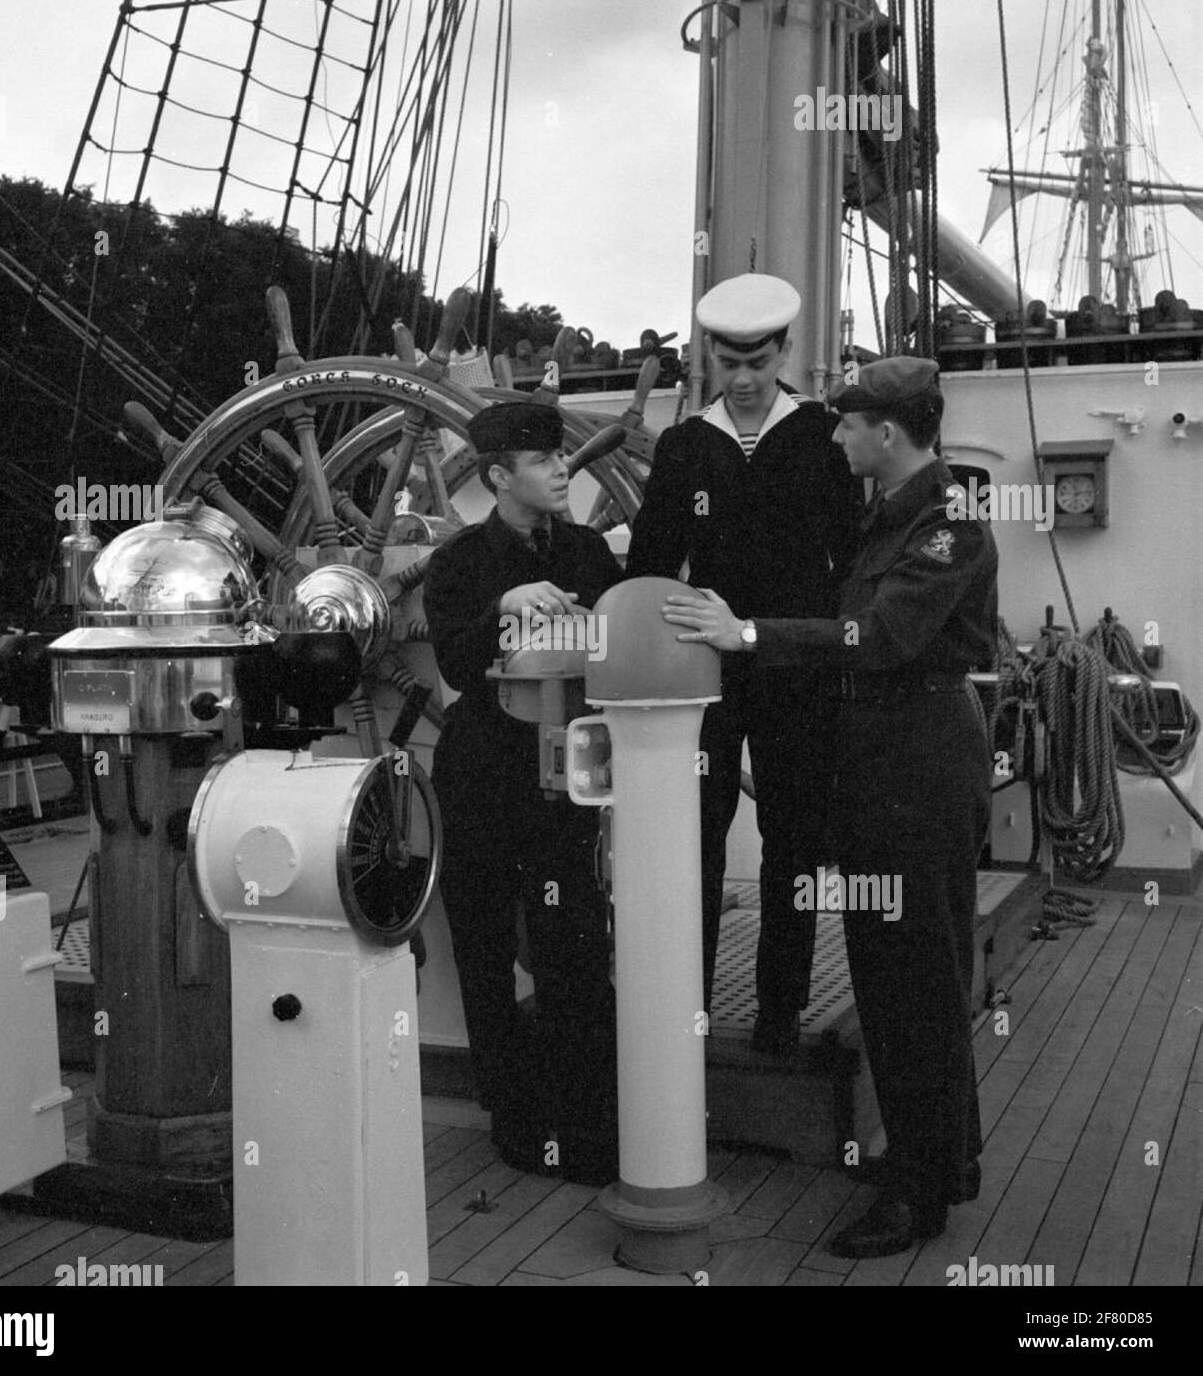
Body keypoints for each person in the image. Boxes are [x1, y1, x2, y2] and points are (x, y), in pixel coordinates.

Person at [660, 356, 997, 1258]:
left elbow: (879, 636)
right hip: (881, 768)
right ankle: (929, 1160)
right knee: (888, 978)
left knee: (921, 979)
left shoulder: (945, 527)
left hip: (918, 771)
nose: (835, 434)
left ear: (887, 433)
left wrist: (750, 635)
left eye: (848, 424)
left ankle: (925, 1191)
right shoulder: (891, 515)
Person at [626, 273, 864, 1050]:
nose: (746, 379)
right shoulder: (686, 446)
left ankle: (778, 1009)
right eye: (730, 364)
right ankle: (689, 1000)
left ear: (785, 352)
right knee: (698, 832)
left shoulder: (825, 438)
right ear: (711, 360)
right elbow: (655, 565)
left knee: (794, 838)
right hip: (707, 671)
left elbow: (854, 562)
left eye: (759, 362)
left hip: (798, 669)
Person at [423, 400, 621, 1186]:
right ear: (500, 475)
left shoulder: (588, 553)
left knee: (574, 940)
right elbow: (456, 666)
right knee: (483, 950)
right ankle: (511, 1114)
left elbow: (611, 651)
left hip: (562, 778)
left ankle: (582, 1118)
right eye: (542, 460)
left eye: (560, 455)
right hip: (480, 774)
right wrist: (502, 610)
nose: (561, 467)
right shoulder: (460, 563)